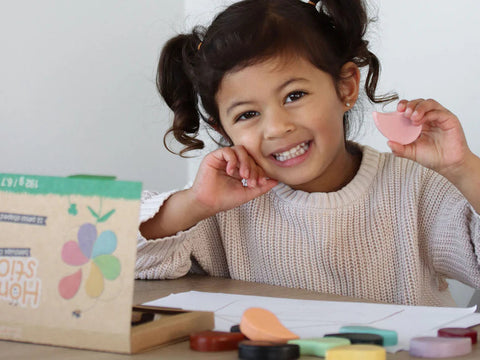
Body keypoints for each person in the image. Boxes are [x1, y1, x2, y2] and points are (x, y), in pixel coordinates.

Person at [135, 0, 480, 307]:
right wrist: (195, 203)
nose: (276, 127)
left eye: (294, 95)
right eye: (247, 115)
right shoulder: (217, 209)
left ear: (345, 87)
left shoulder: (414, 188)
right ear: (224, 130)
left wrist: (463, 167)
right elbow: (97, 256)